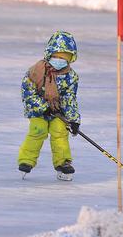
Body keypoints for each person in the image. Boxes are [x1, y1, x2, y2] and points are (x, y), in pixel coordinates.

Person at [18, 30, 80, 181]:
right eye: (56, 57)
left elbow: (69, 98)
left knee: (60, 131)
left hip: (57, 111)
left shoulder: (70, 76)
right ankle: (26, 160)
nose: (59, 61)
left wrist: (73, 120)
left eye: (64, 59)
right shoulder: (36, 71)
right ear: (49, 54)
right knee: (38, 130)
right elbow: (28, 93)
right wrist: (42, 107)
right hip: (38, 109)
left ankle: (63, 163)